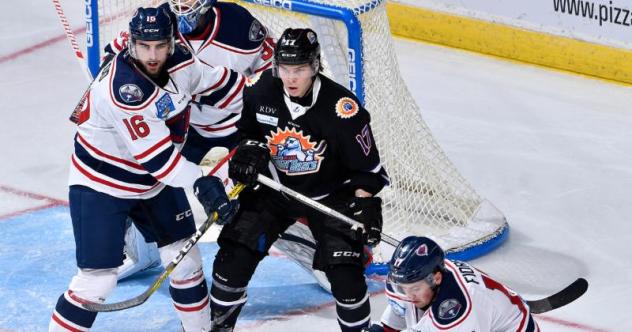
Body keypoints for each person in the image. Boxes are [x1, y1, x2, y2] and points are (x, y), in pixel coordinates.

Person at [48, 6, 242, 331]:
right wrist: (204, 183)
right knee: (97, 282)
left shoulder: (182, 62)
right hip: (102, 185)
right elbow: (161, 163)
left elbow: (219, 84)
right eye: (144, 46)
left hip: (152, 184)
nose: (152, 55)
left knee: (185, 263)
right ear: (131, 44)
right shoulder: (124, 91)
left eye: (159, 46)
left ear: (171, 43)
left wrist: (265, 103)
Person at [209, 28, 389, 331]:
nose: (291, 78)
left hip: (332, 197)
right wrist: (248, 151)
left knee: (347, 280)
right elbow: (248, 133)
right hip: (274, 191)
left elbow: (367, 171)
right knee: (232, 260)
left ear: (315, 67)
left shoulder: (343, 111)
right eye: (285, 69)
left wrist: (364, 203)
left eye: (300, 69)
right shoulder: (259, 90)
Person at [365, 236, 540, 332]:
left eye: (415, 289)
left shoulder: (458, 308)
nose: (408, 295)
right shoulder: (406, 280)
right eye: (402, 288)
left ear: (437, 279)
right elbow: (399, 310)